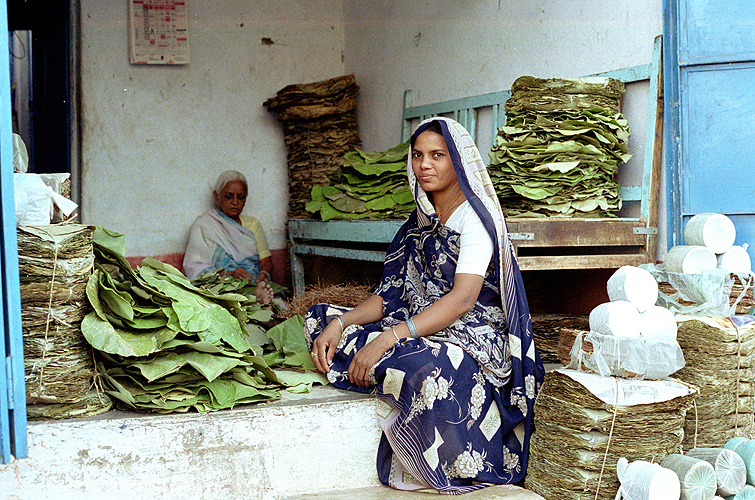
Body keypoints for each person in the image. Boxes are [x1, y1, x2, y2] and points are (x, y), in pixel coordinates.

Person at [305, 117, 544, 494]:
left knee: (423, 365)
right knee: (321, 320)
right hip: (418, 322)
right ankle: (374, 362)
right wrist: (343, 322)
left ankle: (422, 449)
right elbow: (391, 295)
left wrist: (388, 338)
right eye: (418, 156)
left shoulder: (476, 220)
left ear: (459, 162)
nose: (425, 165)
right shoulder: (420, 224)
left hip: (472, 333)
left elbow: (464, 298)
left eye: (438, 156)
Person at [183, 170, 274, 304]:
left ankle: (257, 294)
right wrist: (230, 274)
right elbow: (194, 267)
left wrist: (264, 274)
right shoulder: (204, 225)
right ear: (216, 196)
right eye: (228, 196)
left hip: (252, 281)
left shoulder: (253, 224)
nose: (235, 202)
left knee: (280, 304)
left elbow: (266, 261)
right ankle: (252, 297)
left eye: (241, 197)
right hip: (221, 286)